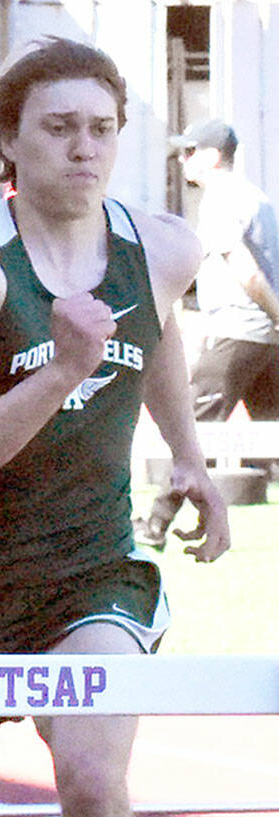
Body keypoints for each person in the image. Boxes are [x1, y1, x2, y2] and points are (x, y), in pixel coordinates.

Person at [0, 37, 229, 817]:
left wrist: (188, 453)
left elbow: (157, 328)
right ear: (8, 140)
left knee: (93, 788)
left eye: (103, 129)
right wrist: (66, 370)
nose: (85, 148)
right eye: (60, 127)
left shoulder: (165, 248)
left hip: (92, 576)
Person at [135, 118, 279, 549]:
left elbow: (245, 268)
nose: (182, 159)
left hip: (237, 333)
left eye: (189, 151)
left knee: (189, 429)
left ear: (213, 157)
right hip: (267, 338)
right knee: (272, 429)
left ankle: (155, 523)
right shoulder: (259, 199)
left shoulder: (222, 199)